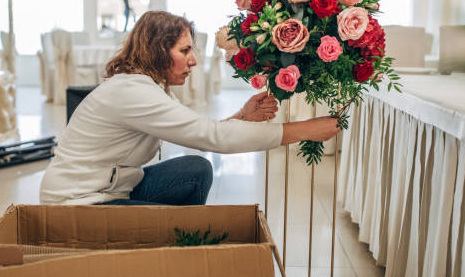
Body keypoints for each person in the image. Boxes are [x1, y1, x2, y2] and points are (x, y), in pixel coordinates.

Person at [40, 11, 340, 206]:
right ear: (158, 51)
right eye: (185, 50)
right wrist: (306, 130)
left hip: (111, 188)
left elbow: (199, 130)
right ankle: (178, 253)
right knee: (181, 206)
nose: (193, 60)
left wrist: (242, 117)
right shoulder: (131, 92)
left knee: (195, 169)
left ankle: (175, 243)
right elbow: (213, 137)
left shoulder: (147, 86)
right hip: (77, 202)